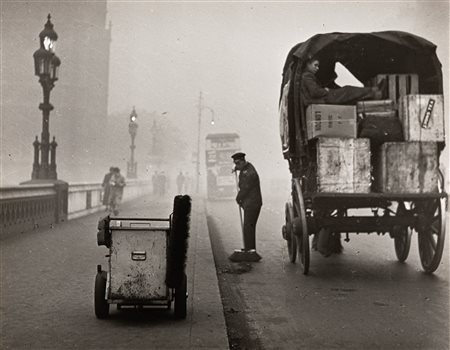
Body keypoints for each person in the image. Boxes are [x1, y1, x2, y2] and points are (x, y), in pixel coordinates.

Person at [300, 57, 386, 106]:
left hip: (320, 99)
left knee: (348, 93)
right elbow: (314, 92)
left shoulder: (306, 76)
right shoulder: (307, 76)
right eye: (315, 65)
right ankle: (375, 92)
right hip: (322, 99)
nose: (317, 68)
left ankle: (374, 92)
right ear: (308, 64)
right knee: (347, 90)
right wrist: (325, 90)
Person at [232, 152, 262, 252]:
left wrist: (238, 198)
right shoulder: (246, 168)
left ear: (242, 161)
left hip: (252, 203)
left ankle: (249, 250)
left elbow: (245, 189)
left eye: (237, 164)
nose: (236, 166)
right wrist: (235, 168)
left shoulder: (249, 173)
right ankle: (250, 249)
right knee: (249, 227)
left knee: (248, 227)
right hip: (251, 203)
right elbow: (240, 168)